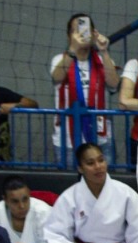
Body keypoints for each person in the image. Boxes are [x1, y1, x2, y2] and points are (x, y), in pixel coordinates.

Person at [51, 12, 119, 161]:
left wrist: (104, 51)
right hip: (67, 140)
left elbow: (114, 84)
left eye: (85, 29)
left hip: (101, 139)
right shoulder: (60, 59)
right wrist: (73, 49)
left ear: (94, 33)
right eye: (76, 30)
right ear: (69, 36)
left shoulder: (103, 60)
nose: (81, 34)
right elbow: (57, 77)